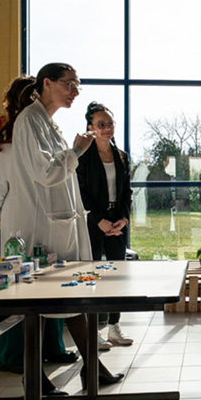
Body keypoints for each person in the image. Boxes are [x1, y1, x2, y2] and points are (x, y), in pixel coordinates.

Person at [3, 62, 123, 388]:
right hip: (39, 227)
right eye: (69, 84)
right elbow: (47, 174)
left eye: (77, 85)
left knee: (64, 300)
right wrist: (77, 151)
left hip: (57, 226)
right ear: (47, 83)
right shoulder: (30, 121)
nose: (75, 91)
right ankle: (39, 376)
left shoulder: (46, 122)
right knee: (44, 302)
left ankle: (87, 368)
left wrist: (72, 152)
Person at [0, 76, 77, 378]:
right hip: (23, 224)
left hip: (46, 220)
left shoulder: (44, 133)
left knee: (50, 287)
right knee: (24, 289)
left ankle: (52, 348)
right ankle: (15, 356)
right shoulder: (13, 141)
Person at [77, 102, 134, 347]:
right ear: (90, 127)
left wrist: (124, 218)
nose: (107, 128)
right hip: (93, 222)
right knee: (92, 276)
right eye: (101, 125)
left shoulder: (121, 156)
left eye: (110, 123)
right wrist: (98, 220)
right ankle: (92, 332)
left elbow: (126, 192)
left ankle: (114, 327)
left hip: (117, 222)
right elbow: (80, 194)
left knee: (116, 277)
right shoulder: (83, 157)